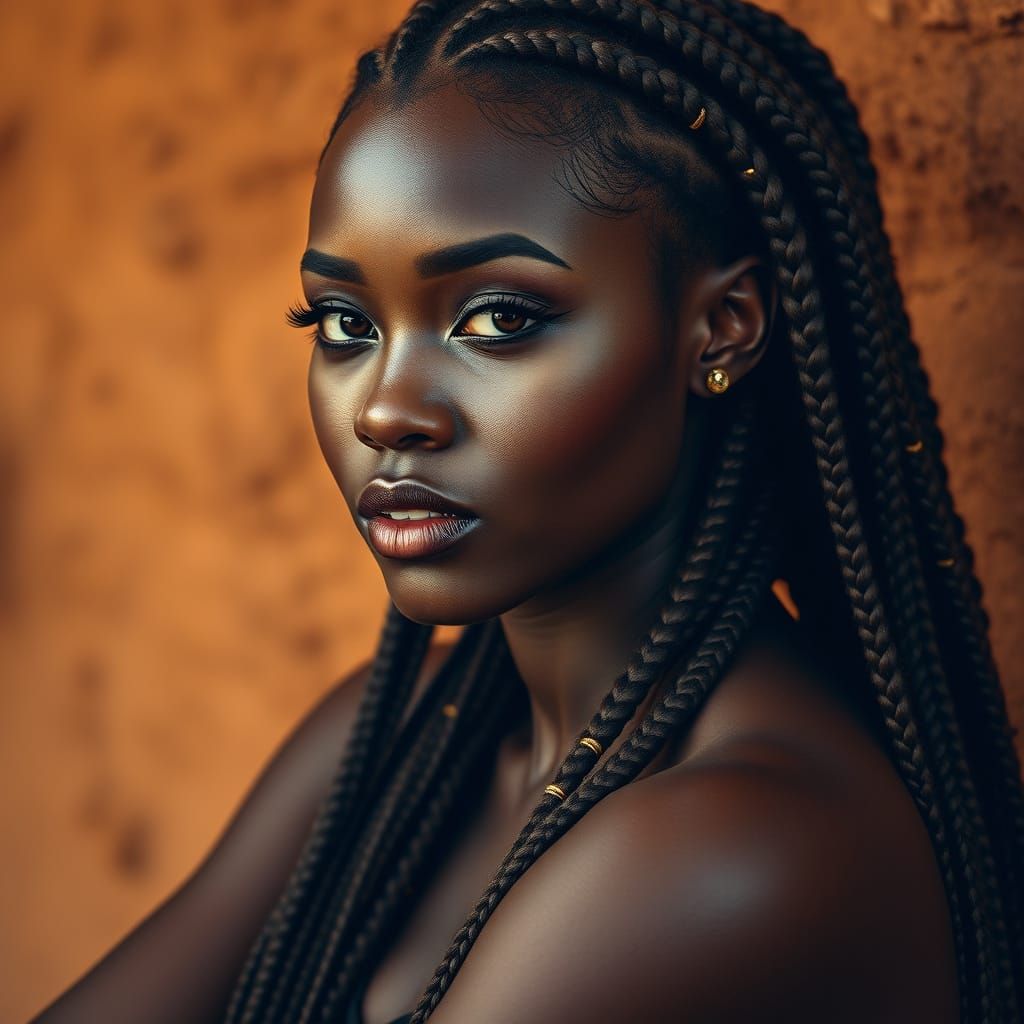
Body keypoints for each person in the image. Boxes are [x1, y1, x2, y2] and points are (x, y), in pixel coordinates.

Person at [33, 0, 1024, 1022]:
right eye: (343, 323)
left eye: (498, 318)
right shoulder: (403, 733)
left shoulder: (736, 844)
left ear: (723, 328)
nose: (384, 410)